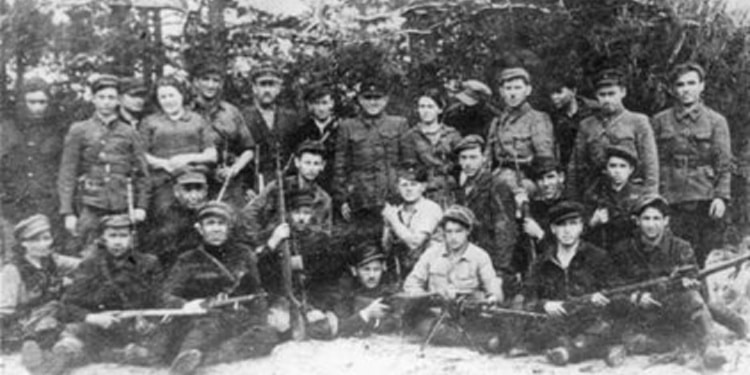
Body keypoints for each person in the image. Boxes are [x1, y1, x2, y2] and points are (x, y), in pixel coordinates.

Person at [25, 215, 174, 375]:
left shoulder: (149, 263)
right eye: (112, 236)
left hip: (138, 329)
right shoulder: (91, 265)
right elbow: (68, 304)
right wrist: (94, 318)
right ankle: (59, 357)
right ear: (103, 238)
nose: (118, 242)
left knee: (164, 342)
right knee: (74, 338)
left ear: (132, 237)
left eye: (123, 236)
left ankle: (110, 353)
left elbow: (160, 296)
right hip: (103, 327)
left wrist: (153, 318)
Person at [609, 194, 728, 368]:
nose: (651, 224)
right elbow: (613, 286)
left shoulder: (681, 247)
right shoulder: (623, 250)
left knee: (693, 298)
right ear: (636, 221)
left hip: (671, 307)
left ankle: (710, 347)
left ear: (666, 221)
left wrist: (689, 283)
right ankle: (675, 344)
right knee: (635, 340)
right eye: (646, 218)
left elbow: (694, 278)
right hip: (639, 312)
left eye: (657, 218)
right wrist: (636, 297)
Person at [164, 201, 277, 375]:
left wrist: (262, 319)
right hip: (201, 320)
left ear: (229, 227)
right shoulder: (188, 259)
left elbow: (256, 292)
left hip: (235, 318)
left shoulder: (244, 254)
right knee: (207, 327)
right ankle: (187, 355)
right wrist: (185, 305)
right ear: (200, 229)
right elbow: (167, 294)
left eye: (221, 223)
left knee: (267, 336)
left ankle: (203, 358)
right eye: (210, 224)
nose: (216, 229)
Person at [57, 75, 150, 255]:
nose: (106, 103)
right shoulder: (79, 130)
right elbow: (67, 173)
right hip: (89, 204)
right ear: (93, 99)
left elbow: (142, 174)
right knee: (86, 254)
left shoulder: (129, 132)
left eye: (111, 98)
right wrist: (68, 212)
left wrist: (141, 207)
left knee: (122, 254)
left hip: (121, 205)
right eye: (101, 97)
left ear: (119, 101)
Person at [652, 63, 732, 267]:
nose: (686, 89)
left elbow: (723, 163)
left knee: (706, 255)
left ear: (702, 86)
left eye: (691, 83)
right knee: (673, 255)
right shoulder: (660, 121)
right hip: (670, 197)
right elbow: (653, 161)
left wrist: (721, 197)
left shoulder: (716, 121)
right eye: (680, 84)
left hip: (704, 198)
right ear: (672, 89)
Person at [521, 201, 620, 366]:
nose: (567, 230)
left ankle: (569, 351)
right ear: (553, 229)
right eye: (561, 225)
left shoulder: (598, 257)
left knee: (602, 329)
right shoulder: (541, 263)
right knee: (537, 332)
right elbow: (528, 300)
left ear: (581, 227)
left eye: (573, 224)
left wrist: (602, 296)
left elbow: (617, 294)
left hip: (590, 320)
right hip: (557, 322)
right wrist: (545, 305)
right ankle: (598, 351)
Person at [403, 205, 504, 350]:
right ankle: (479, 341)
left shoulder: (480, 256)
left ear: (468, 231)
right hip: (435, 314)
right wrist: (430, 295)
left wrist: (492, 298)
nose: (453, 237)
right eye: (449, 232)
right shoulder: (432, 253)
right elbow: (411, 284)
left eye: (458, 231)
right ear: (443, 232)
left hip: (467, 315)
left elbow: (493, 285)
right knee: (427, 327)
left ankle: (470, 338)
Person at [333, 78, 409, 244]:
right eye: (368, 98)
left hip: (392, 198)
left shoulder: (399, 124)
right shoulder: (348, 126)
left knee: (395, 245)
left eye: (378, 98)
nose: (373, 102)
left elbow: (408, 164)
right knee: (364, 247)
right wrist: (343, 199)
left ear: (386, 99)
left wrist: (403, 194)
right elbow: (340, 167)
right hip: (361, 199)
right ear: (360, 100)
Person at [567, 68, 658, 200]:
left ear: (623, 92)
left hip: (630, 194)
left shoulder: (638, 121)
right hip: (596, 193)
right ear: (596, 96)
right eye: (602, 95)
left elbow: (650, 164)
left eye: (612, 94)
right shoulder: (586, 125)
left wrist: (650, 198)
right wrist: (572, 199)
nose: (607, 99)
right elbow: (575, 166)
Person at [140, 75, 217, 216]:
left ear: (182, 95)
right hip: (163, 181)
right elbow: (141, 154)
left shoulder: (197, 119)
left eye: (171, 95)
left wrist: (186, 158)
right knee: (166, 218)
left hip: (195, 180)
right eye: (163, 97)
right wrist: (165, 164)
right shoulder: (150, 122)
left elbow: (211, 155)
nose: (168, 101)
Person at [1, 215, 80, 352]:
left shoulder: (52, 260)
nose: (45, 244)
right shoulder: (13, 270)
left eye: (47, 238)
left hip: (54, 314)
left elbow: (83, 264)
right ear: (23, 243)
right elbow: (4, 310)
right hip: (26, 322)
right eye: (36, 240)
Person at [1, 78, 66, 237]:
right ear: (22, 102)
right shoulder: (6, 128)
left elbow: (66, 168)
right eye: (32, 102)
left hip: (48, 203)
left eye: (42, 102)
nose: (38, 107)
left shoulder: (58, 129)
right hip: (13, 203)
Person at [451, 135, 518, 289]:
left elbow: (505, 231)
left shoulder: (496, 186)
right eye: (464, 158)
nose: (468, 163)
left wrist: (500, 270)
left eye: (473, 157)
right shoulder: (461, 189)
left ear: (484, 158)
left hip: (492, 261)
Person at [190, 60, 255, 207]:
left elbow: (249, 149)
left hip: (229, 182)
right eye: (205, 79)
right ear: (195, 82)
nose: (211, 85)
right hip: (195, 181)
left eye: (215, 80)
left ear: (221, 84)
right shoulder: (185, 112)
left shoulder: (231, 112)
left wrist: (234, 169)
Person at [485, 67, 555, 195]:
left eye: (517, 88)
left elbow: (545, 160)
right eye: (508, 88)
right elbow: (487, 158)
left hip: (526, 179)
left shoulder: (537, 119)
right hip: (498, 177)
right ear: (502, 92)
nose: (512, 93)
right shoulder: (497, 122)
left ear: (528, 90)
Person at [241, 62, 299, 192]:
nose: (267, 90)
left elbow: (297, 152)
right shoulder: (243, 117)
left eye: (271, 85)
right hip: (253, 184)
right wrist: (245, 187)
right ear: (254, 88)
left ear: (278, 89)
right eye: (262, 85)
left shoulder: (291, 118)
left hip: (286, 184)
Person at [140, 166, 210, 269]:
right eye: (187, 190)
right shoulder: (167, 214)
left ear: (205, 191)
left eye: (198, 189)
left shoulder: (210, 212)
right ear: (176, 191)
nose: (194, 196)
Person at [382, 161, 443, 277]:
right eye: (404, 185)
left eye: (413, 184)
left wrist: (393, 220)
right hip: (407, 273)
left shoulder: (431, 208)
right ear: (398, 187)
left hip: (433, 272)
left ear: (423, 187)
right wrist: (387, 225)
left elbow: (415, 243)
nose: (408, 189)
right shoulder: (397, 211)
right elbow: (386, 248)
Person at [402, 88, 462, 207]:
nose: (425, 111)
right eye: (422, 107)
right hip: (424, 194)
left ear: (439, 109)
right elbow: (410, 169)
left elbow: (460, 165)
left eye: (430, 107)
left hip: (450, 192)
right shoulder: (411, 136)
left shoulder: (452, 135)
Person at [329, 241, 401, 338]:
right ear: (354, 271)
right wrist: (366, 314)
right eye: (366, 269)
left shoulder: (389, 288)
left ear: (383, 268)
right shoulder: (345, 288)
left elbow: (397, 322)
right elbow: (340, 326)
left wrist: (374, 322)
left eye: (376, 269)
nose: (372, 275)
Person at [583, 145, 646, 250]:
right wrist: (593, 222)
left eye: (622, 166)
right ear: (606, 169)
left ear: (631, 170)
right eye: (613, 166)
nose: (617, 171)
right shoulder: (594, 194)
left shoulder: (640, 195)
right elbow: (581, 228)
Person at [286, 83, 340, 194]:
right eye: (316, 103)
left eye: (325, 103)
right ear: (310, 105)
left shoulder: (341, 129)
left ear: (332, 104)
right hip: (308, 188)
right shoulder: (300, 131)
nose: (321, 108)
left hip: (334, 186)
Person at [547, 77, 598, 167]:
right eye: (551, 93)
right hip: (566, 164)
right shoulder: (552, 115)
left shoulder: (594, 110)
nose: (554, 97)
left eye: (559, 92)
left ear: (573, 91)